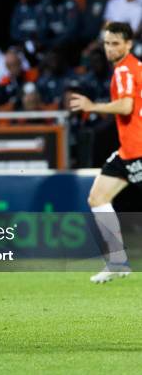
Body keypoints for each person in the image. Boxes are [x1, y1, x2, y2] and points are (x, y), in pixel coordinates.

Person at [69, 22, 142, 283]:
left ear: (128, 44)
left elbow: (125, 106)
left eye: (115, 43)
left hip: (136, 150)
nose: (109, 48)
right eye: (107, 43)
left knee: (98, 199)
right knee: (98, 198)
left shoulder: (124, 70)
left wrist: (92, 105)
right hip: (129, 149)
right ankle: (118, 261)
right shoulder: (134, 68)